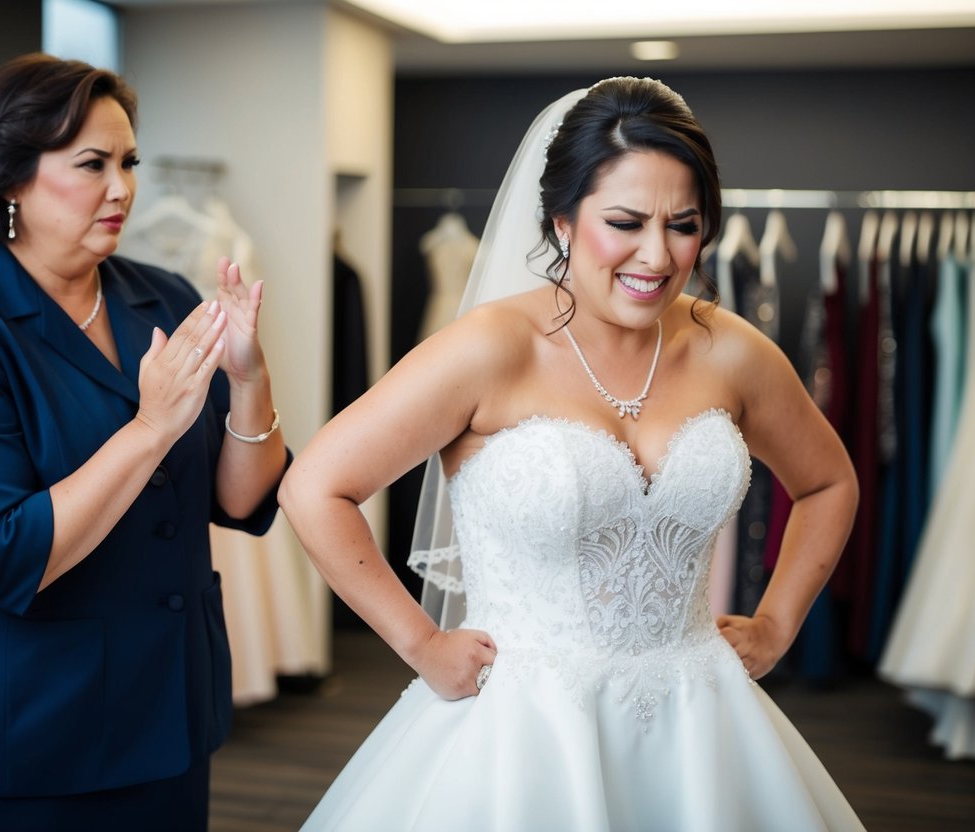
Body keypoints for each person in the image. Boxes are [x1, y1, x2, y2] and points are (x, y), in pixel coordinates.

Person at [279, 77, 866, 830]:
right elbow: (315, 487)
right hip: (522, 729)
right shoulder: (490, 348)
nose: (655, 254)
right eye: (624, 221)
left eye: (682, 225)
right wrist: (419, 642)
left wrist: (777, 624)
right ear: (560, 220)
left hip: (700, 717)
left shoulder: (731, 352)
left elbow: (827, 483)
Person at [0, 53, 289, 830]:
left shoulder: (159, 295)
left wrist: (250, 378)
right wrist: (149, 427)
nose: (123, 188)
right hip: (18, 727)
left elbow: (238, 499)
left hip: (163, 709)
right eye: (92, 164)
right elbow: (0, 559)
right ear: (10, 180)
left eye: (128, 162)